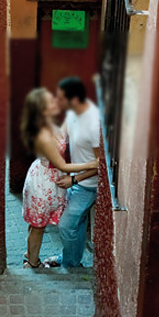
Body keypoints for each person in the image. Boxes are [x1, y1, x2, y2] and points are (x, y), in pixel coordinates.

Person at [19, 87, 98, 269]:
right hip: (44, 182)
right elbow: (62, 166)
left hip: (51, 179)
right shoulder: (43, 135)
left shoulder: (50, 124)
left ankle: (31, 251)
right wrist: (93, 164)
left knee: (37, 223)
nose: (56, 101)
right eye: (50, 101)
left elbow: (66, 133)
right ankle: (32, 262)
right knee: (38, 225)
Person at [53, 76, 102, 268]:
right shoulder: (73, 113)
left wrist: (74, 180)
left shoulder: (92, 123)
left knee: (66, 225)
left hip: (88, 186)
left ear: (73, 100)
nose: (59, 102)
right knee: (77, 223)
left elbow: (100, 164)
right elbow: (60, 135)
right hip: (76, 180)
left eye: (61, 98)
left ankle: (71, 264)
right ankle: (71, 258)